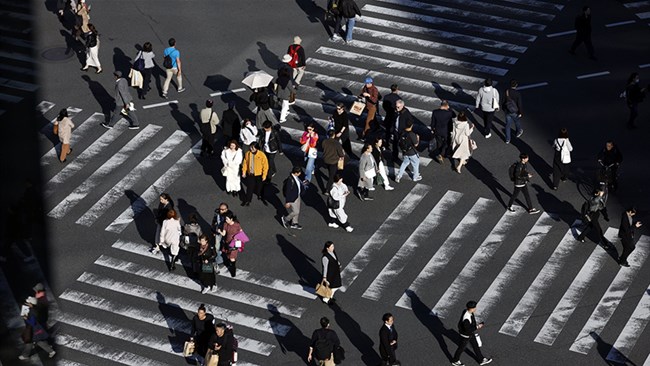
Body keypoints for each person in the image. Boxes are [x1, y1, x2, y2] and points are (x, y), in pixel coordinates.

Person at [451, 301, 493, 366]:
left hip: (470, 334)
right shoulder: (466, 318)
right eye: (475, 307)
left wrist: (476, 325)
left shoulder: (467, 311)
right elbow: (468, 329)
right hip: (466, 336)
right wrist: (477, 327)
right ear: (472, 308)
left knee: (475, 346)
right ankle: (455, 361)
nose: (476, 309)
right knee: (461, 348)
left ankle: (481, 359)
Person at [241, 142, 269, 206]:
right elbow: (245, 163)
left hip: (259, 174)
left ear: (256, 148)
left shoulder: (261, 155)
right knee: (250, 188)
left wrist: (264, 175)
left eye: (253, 147)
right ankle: (248, 200)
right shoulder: (247, 154)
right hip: (251, 174)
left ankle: (259, 194)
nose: (251, 149)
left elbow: (265, 166)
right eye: (251, 147)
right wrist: (244, 172)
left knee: (259, 186)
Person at [217, 210, 244, 277]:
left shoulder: (236, 224)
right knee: (228, 256)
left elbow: (241, 232)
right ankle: (231, 265)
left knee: (232, 257)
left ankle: (233, 270)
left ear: (231, 219)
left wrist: (237, 238)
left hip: (234, 243)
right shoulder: (225, 224)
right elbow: (224, 234)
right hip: (227, 242)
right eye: (225, 219)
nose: (226, 220)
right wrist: (220, 231)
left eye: (227, 219)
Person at [322, 130, 346, 194]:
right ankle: (327, 189)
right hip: (333, 161)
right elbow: (341, 154)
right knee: (331, 176)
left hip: (326, 160)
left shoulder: (324, 141)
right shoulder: (336, 143)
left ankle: (332, 182)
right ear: (334, 135)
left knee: (330, 172)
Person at [276, 56, 296, 123]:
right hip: (286, 94)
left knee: (284, 104)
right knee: (284, 105)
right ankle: (282, 118)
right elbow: (291, 88)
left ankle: (287, 111)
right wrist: (294, 91)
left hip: (280, 92)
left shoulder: (280, 66)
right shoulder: (289, 69)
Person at [502, 79, 523, 144]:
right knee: (517, 122)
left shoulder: (507, 91)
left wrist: (504, 109)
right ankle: (518, 131)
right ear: (516, 85)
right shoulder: (517, 94)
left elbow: (503, 101)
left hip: (507, 111)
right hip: (515, 111)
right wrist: (520, 112)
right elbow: (519, 104)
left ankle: (507, 139)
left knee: (508, 125)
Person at [383, 84, 401, 149]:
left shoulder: (386, 97)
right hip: (395, 115)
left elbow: (384, 106)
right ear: (396, 89)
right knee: (395, 130)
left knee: (387, 130)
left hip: (388, 115)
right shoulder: (398, 98)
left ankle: (386, 143)